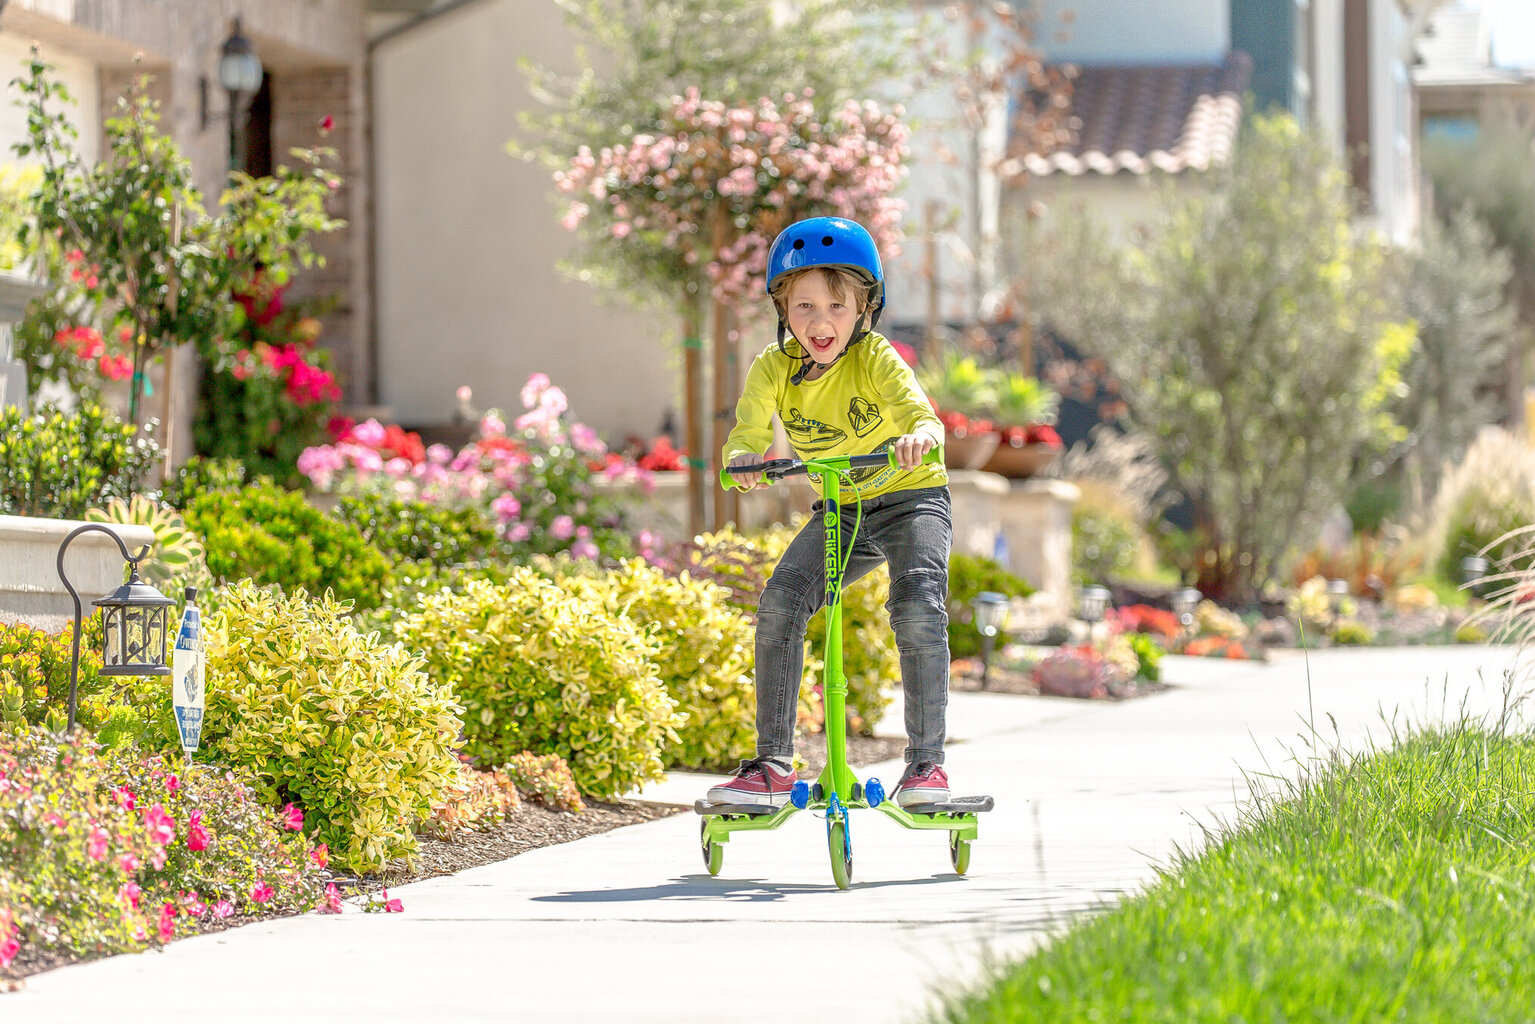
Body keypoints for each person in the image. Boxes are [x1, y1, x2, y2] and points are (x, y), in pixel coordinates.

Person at [706, 216, 955, 810]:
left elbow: (921, 415)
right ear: (782, 307)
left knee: (918, 604)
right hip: (843, 507)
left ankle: (926, 767)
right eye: (805, 307)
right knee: (780, 604)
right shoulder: (773, 367)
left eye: (838, 306)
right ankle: (771, 764)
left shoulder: (876, 359)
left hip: (912, 496)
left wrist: (918, 435)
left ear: (865, 306)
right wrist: (744, 458)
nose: (821, 323)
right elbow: (747, 429)